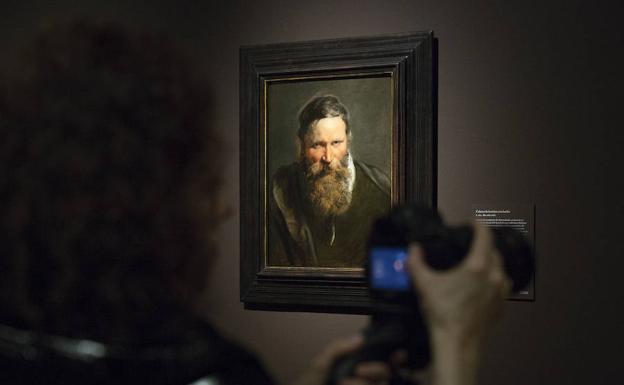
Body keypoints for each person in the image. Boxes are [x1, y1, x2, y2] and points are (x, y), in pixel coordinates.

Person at [0, 21, 511, 385]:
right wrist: (457, 348)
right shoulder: (203, 366)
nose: (221, 210)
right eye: (317, 145)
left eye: (337, 145)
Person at [269, 95, 391, 267]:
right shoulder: (281, 189)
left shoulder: (381, 190)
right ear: (301, 146)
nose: (328, 157)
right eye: (317, 145)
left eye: (336, 143)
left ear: (348, 141)